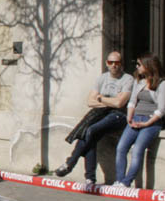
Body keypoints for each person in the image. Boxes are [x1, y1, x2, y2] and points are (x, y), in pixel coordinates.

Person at [54, 50, 133, 184]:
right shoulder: (102, 78)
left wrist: (100, 98)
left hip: (118, 115)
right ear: (106, 63)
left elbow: (120, 104)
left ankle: (70, 163)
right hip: (101, 113)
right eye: (110, 62)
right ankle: (90, 178)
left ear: (121, 64)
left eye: (117, 62)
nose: (114, 65)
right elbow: (90, 101)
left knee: (90, 130)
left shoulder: (128, 79)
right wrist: (110, 101)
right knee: (90, 134)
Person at [115, 53, 165, 187]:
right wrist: (129, 117)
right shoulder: (139, 81)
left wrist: (147, 123)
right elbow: (133, 101)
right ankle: (119, 180)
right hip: (136, 118)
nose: (137, 67)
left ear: (148, 65)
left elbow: (162, 109)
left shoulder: (162, 83)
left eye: (139, 64)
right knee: (121, 147)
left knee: (137, 150)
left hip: (151, 121)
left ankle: (126, 182)